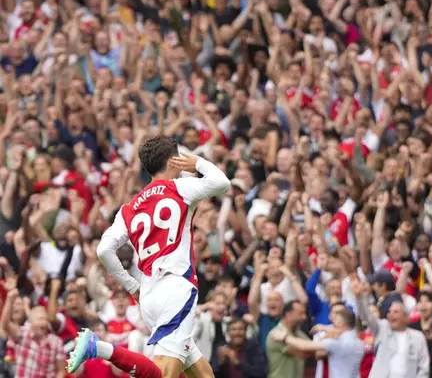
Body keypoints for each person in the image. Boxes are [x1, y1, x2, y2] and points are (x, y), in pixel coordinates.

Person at [66, 136, 231, 378]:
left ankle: (99, 347)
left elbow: (104, 250)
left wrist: (132, 286)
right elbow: (222, 183)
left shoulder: (129, 208)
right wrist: (197, 162)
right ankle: (99, 347)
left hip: (149, 296)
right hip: (176, 289)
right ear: (174, 161)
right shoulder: (179, 189)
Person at [270, 305, 364, 378]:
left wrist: (285, 337)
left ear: (340, 323)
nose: (332, 323)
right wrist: (324, 328)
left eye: (335, 320)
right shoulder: (359, 343)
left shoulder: (338, 343)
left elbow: (305, 346)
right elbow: (342, 330)